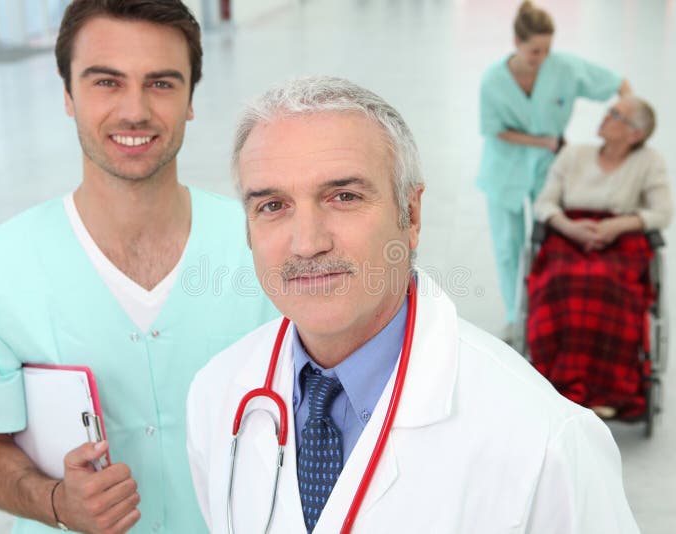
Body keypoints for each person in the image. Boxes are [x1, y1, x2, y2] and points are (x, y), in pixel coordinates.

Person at [186, 76, 640, 533]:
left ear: (412, 215)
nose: (307, 243)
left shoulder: (544, 440)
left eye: (344, 197)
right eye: (272, 205)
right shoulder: (217, 395)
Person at [0, 1, 275, 533]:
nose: (134, 111)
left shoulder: (264, 250)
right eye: (106, 82)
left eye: (161, 83)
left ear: (190, 99)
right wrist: (53, 502)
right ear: (68, 94)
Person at [476, 0, 632, 338]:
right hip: (506, 168)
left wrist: (627, 121)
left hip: (550, 168)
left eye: (547, 50)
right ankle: (515, 315)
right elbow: (495, 130)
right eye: (534, 51)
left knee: (549, 239)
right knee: (508, 245)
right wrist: (544, 141)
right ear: (517, 43)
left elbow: (618, 84)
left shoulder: (564, 68)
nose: (541, 58)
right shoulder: (492, 81)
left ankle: (545, 310)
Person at [529, 96, 672, 420]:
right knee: (561, 282)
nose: (606, 117)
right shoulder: (573, 154)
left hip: (621, 236)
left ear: (635, 134)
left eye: (616, 115)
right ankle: (560, 383)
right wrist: (568, 226)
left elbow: (662, 212)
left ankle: (608, 389)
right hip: (569, 232)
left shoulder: (649, 162)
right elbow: (544, 203)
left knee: (608, 286)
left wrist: (619, 225)